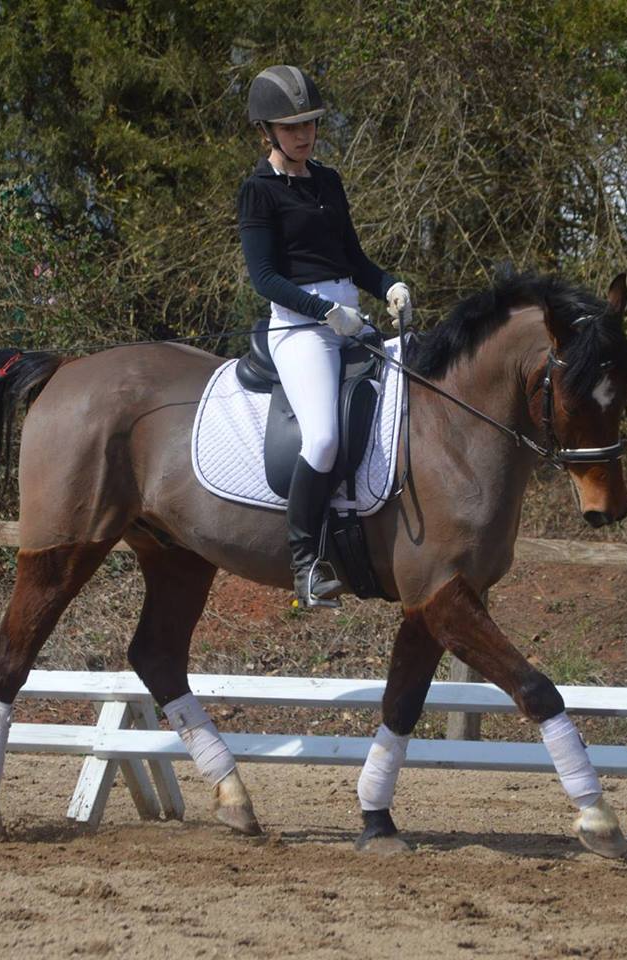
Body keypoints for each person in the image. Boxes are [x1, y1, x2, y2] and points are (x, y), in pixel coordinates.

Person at [237, 64, 413, 608]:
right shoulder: (258, 192)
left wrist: (389, 285)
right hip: (300, 331)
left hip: (350, 320)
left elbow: (353, 259)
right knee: (322, 439)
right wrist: (324, 312)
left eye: (310, 124)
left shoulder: (329, 181)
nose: (304, 134)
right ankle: (305, 563)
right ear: (267, 131)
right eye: (291, 127)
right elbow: (265, 278)